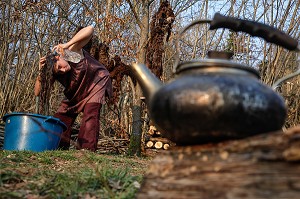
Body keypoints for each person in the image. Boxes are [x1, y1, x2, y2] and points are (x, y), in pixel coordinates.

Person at [34, 25, 113, 152]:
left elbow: (90, 29)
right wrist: (40, 72)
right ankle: (60, 147)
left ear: (58, 57)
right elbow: (37, 92)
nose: (62, 70)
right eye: (59, 71)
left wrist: (67, 44)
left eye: (60, 66)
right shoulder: (52, 72)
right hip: (76, 91)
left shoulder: (71, 52)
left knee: (90, 114)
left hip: (96, 82)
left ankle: (86, 150)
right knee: (61, 116)